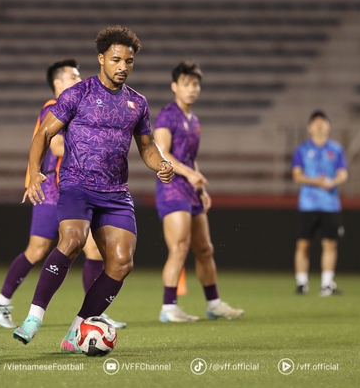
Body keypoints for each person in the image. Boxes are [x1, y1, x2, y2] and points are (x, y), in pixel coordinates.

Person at [13, 25, 174, 352]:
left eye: (129, 62)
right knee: (73, 240)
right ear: (101, 59)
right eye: (116, 59)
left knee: (121, 263)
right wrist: (32, 172)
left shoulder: (137, 103)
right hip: (77, 185)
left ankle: (78, 328)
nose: (123, 67)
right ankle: (34, 316)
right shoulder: (77, 94)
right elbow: (43, 135)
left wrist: (162, 165)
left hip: (116, 193)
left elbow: (147, 147)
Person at [0, 59, 126, 330]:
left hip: (76, 190)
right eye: (73, 76)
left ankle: (92, 314)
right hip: (53, 190)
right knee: (37, 250)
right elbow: (57, 148)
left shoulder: (77, 108)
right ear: (58, 83)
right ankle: (2, 301)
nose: (79, 80)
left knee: (94, 252)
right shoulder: (53, 108)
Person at [154, 61, 244, 322]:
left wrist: (200, 186)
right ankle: (168, 308)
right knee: (179, 248)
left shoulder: (194, 121)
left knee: (205, 249)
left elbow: (191, 159)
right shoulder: (166, 116)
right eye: (186, 83)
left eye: (195, 84)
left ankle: (214, 303)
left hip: (189, 190)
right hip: (171, 188)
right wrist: (189, 174)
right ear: (174, 86)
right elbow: (162, 153)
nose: (192, 89)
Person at [291, 110, 348, 296]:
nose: (319, 125)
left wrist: (332, 182)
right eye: (316, 122)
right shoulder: (302, 150)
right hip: (308, 203)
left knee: (330, 244)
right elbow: (297, 175)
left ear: (329, 126)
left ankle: (326, 283)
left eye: (323, 122)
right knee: (303, 244)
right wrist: (317, 182)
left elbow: (343, 174)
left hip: (330, 204)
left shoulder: (336, 150)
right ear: (309, 128)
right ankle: (301, 282)